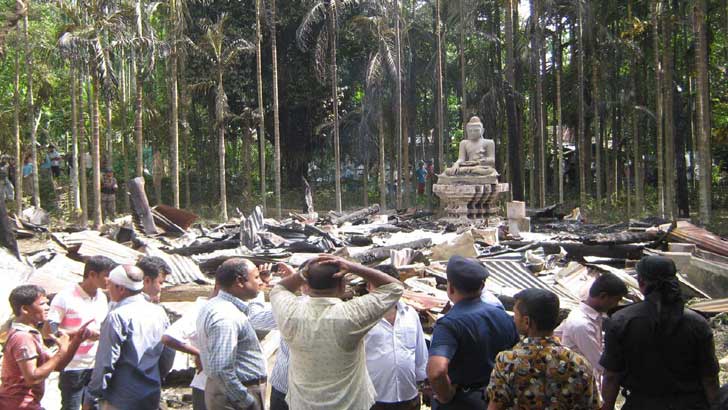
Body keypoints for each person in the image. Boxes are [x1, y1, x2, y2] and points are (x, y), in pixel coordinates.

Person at [270, 255, 404, 410]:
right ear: (343, 284)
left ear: (306, 284)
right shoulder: (352, 314)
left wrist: (302, 274)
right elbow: (395, 287)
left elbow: (279, 288)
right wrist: (353, 267)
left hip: (304, 404)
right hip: (351, 405)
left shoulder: (289, 312)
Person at [600, 256, 720, 410]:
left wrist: (607, 406)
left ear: (641, 283)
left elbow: (611, 376)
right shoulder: (697, 323)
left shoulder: (620, 321)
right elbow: (709, 378)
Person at [427, 256, 518, 410]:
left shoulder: (449, 324)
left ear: (450, 288)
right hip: (498, 398)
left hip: (463, 401)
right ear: (482, 286)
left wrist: (445, 395)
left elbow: (437, 371)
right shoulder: (503, 316)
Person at [486, 288, 600, 410]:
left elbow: (495, 406)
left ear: (527, 321)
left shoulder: (507, 360)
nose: (514, 318)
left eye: (515, 314)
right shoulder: (579, 363)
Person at [88, 264, 175, 410]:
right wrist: (156, 377)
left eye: (110, 286)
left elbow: (106, 362)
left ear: (121, 289)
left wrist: (92, 396)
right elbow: (168, 353)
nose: (107, 290)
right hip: (151, 395)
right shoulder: (159, 312)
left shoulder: (117, 317)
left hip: (121, 397)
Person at [0, 285, 91, 410]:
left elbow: (57, 365)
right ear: (25, 309)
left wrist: (76, 341)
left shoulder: (31, 334)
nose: (48, 307)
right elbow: (32, 377)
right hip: (18, 404)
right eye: (42, 304)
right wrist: (61, 352)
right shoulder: (23, 338)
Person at [196, 258, 268, 410]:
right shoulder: (226, 317)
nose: (260, 282)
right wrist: (245, 401)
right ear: (240, 281)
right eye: (256, 278)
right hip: (235, 397)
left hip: (230, 393)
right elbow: (220, 369)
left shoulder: (217, 305)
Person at [48, 256, 117, 410]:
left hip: (96, 364)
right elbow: (51, 333)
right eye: (107, 275)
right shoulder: (65, 297)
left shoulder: (102, 298)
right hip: (72, 365)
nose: (109, 280)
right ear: (92, 274)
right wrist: (80, 334)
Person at [364, 267, 428, 410]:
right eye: (379, 287)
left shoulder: (410, 314)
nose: (386, 293)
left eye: (389, 287)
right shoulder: (362, 318)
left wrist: (423, 384)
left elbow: (420, 354)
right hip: (373, 399)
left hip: (408, 396)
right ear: (369, 287)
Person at [553, 272, 627, 391]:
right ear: (603, 296)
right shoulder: (581, 324)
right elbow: (601, 364)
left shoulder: (591, 317)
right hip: (578, 385)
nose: (616, 305)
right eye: (616, 300)